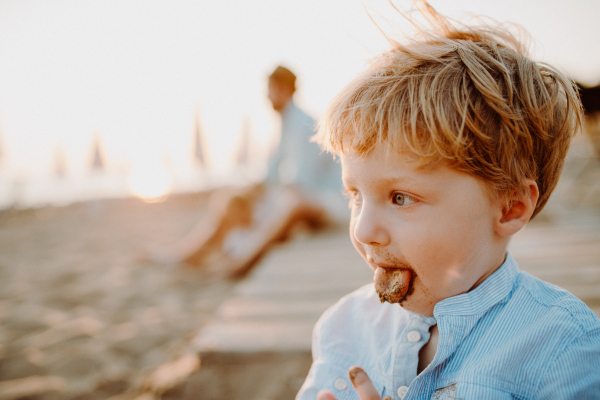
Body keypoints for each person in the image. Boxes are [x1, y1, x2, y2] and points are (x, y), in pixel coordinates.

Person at [297, 3, 600, 400]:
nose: (362, 229)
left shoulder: (562, 345)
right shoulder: (343, 329)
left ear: (509, 207)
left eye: (400, 197)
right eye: (355, 194)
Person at [142, 66, 343, 277]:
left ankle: (240, 262)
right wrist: (246, 193)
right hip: (310, 199)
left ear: (284, 89)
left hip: (332, 204)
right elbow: (271, 174)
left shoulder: (302, 123)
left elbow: (301, 183)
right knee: (233, 198)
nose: (266, 96)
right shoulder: (287, 122)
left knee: (290, 201)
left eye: (270, 90)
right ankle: (192, 255)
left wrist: (264, 200)